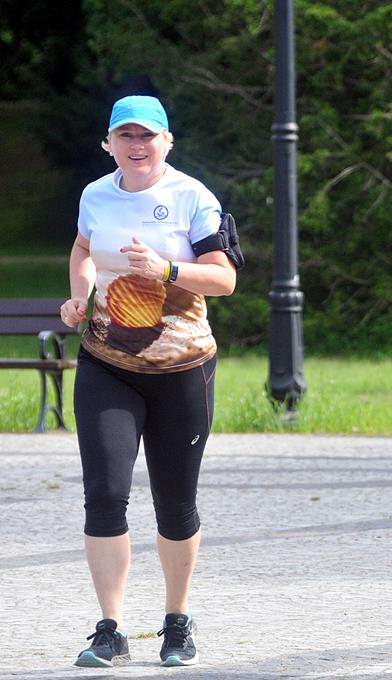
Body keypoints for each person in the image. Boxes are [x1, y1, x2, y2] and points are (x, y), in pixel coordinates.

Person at [60, 95, 237, 668]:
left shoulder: (193, 197)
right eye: (126, 136)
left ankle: (177, 621)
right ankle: (109, 629)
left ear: (167, 142)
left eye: (147, 136)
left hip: (182, 369)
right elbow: (83, 248)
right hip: (106, 362)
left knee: (175, 503)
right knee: (104, 494)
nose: (137, 146)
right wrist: (80, 295)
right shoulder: (95, 194)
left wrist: (166, 269)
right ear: (109, 143)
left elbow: (224, 280)